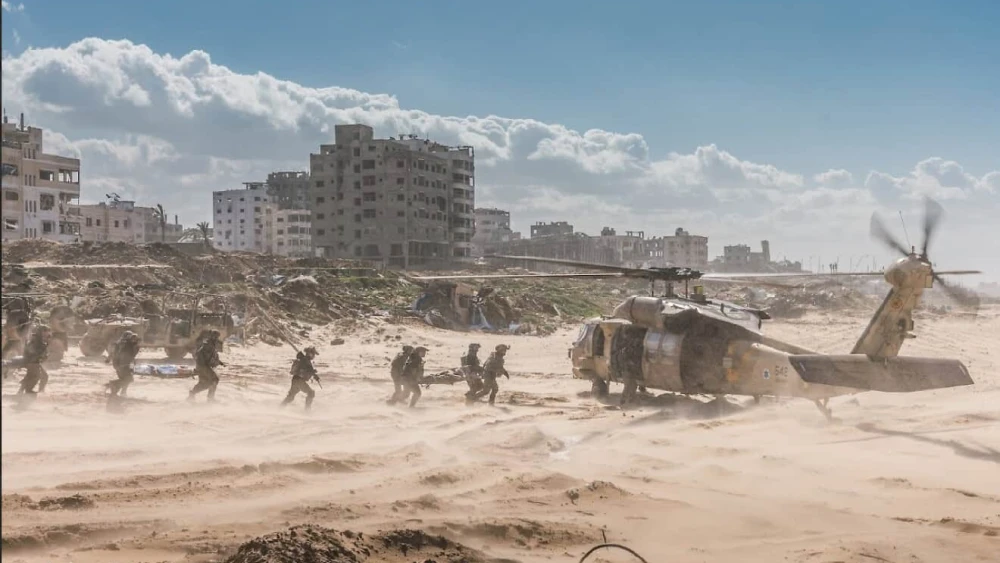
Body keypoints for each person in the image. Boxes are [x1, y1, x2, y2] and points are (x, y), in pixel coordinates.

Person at [188, 330, 223, 402]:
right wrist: (215, 362)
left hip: (202, 366)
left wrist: (218, 362)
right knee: (214, 379)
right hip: (203, 366)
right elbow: (207, 359)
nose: (217, 339)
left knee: (205, 383)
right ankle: (210, 398)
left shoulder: (209, 345)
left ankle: (192, 394)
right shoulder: (208, 346)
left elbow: (209, 357)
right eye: (216, 337)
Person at [17, 324, 52, 395]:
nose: (48, 333)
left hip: (34, 361)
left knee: (41, 376)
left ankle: (38, 390)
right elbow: (36, 352)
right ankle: (28, 390)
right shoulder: (36, 340)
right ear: (42, 332)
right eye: (46, 331)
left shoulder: (37, 339)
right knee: (35, 376)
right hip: (32, 362)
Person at [106, 330, 141, 397]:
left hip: (117, 364)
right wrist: (137, 345)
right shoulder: (127, 344)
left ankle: (122, 392)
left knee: (124, 379)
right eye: (131, 337)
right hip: (124, 365)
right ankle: (113, 384)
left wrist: (108, 359)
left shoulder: (119, 344)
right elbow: (132, 354)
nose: (133, 339)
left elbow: (112, 353)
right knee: (128, 379)